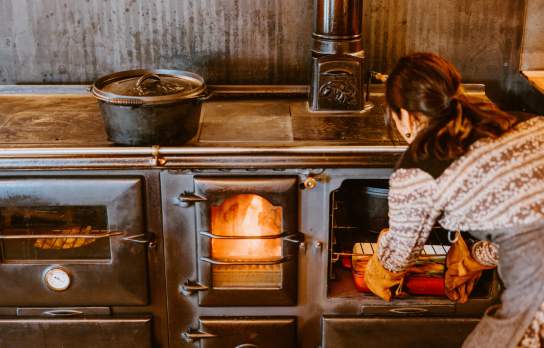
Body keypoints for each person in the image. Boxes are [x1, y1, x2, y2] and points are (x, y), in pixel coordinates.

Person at [363, 52, 544, 348]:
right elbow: (527, 224)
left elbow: (399, 256)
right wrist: (474, 257)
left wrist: (378, 270)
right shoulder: (520, 123)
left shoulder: (419, 169)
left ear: (406, 116)